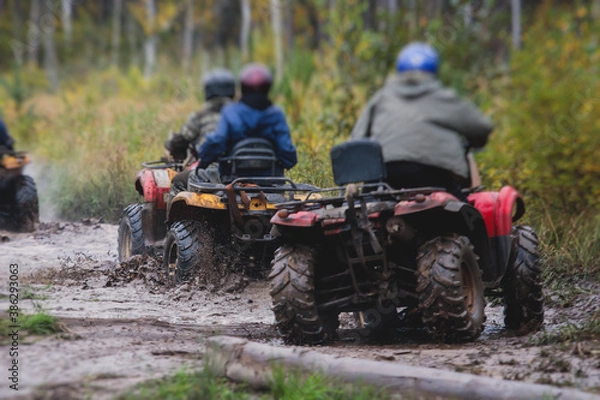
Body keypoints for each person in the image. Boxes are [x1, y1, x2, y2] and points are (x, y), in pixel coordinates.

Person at [350, 42, 493, 200]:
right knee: (466, 214)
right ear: (433, 70)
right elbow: (482, 127)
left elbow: (357, 138)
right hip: (433, 174)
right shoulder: (441, 97)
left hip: (386, 175)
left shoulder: (382, 97)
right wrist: (475, 141)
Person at [195, 62, 297, 180]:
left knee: (193, 178)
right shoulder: (276, 114)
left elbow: (217, 141)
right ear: (268, 87)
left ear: (242, 87)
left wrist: (204, 159)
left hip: (232, 180)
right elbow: (288, 155)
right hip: (271, 181)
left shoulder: (230, 111)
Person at [166, 68, 236, 200]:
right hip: (243, 172)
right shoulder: (242, 114)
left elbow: (180, 140)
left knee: (177, 181)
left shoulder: (201, 116)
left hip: (215, 172)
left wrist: (170, 145)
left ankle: (172, 221)